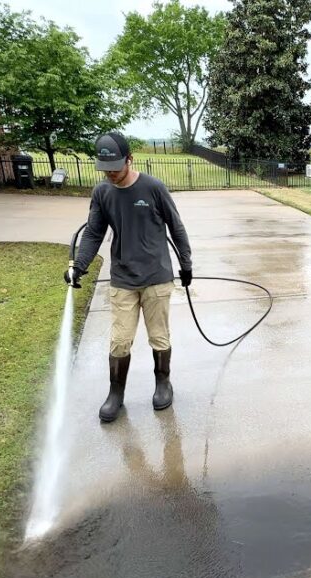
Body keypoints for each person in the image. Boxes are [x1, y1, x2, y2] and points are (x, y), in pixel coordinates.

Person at [65, 132, 192, 423]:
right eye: (105, 169)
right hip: (122, 278)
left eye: (116, 168)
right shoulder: (102, 193)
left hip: (156, 276)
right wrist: (78, 265)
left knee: (159, 336)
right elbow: (94, 233)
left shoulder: (153, 188)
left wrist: (186, 264)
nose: (110, 174)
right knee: (120, 340)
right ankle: (115, 394)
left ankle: (163, 383)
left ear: (129, 160)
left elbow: (177, 228)